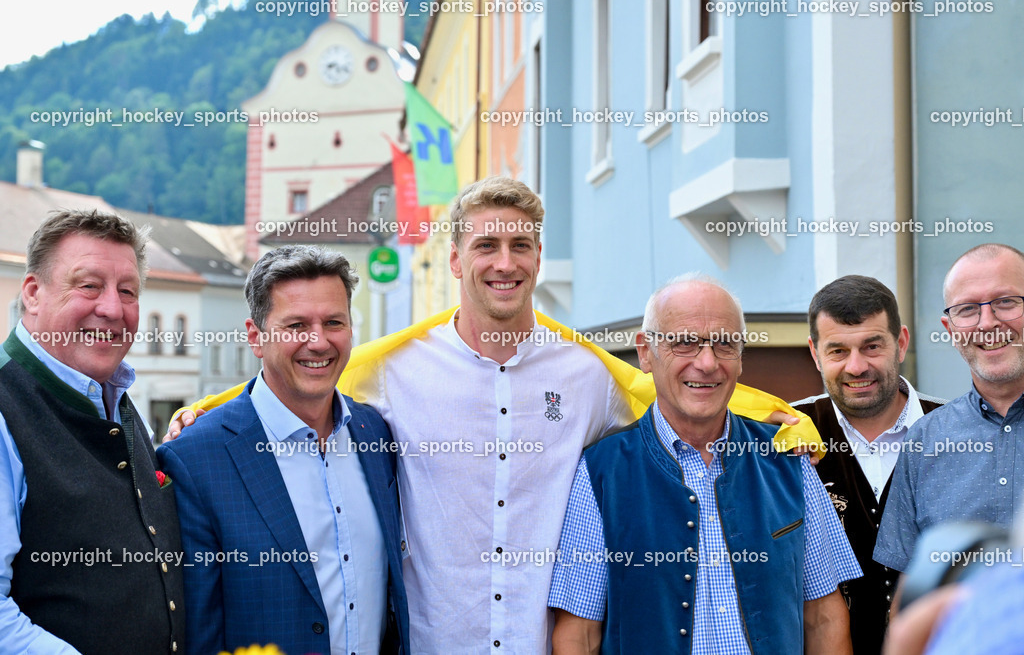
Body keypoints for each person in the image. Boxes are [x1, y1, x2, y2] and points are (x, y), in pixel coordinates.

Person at [168, 177, 822, 652]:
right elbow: (301, 375)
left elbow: (685, 392)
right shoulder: (396, 368)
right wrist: (205, 408)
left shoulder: (587, 372)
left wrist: (787, 421)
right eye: (486, 245)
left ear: (539, 258)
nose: (504, 262)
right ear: (455, 258)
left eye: (520, 245)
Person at [548, 275, 861, 654]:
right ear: (646, 353)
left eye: (725, 344)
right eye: (684, 342)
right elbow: (578, 634)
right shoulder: (600, 473)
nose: (708, 362)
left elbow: (824, 617)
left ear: (742, 357)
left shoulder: (788, 460)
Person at [157, 245, 409, 655]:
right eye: (296, 325)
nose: (319, 341)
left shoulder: (375, 432)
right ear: (255, 337)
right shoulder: (195, 459)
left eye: (334, 322)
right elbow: (198, 630)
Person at [0, 209, 185, 654]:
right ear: (33, 293)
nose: (112, 309)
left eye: (128, 291)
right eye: (88, 286)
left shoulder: (112, 394)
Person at [793, 275, 944, 654]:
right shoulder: (783, 435)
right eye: (837, 351)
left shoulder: (958, 432)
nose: (856, 366)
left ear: (901, 343)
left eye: (872, 346)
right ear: (814, 353)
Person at [875, 243, 1024, 574]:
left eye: (1005, 302)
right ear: (950, 330)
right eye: (968, 309)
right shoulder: (924, 441)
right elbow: (908, 587)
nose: (987, 323)